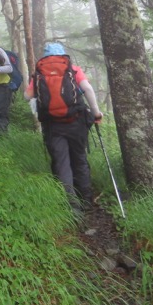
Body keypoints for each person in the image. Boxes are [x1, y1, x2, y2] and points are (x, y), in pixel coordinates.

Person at [24, 42, 103, 216]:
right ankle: (87, 199)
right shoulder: (73, 69)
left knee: (62, 163)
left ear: (45, 56)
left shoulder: (38, 73)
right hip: (76, 122)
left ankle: (72, 205)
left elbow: (26, 96)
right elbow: (88, 89)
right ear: (63, 55)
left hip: (53, 125)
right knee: (80, 159)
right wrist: (96, 113)